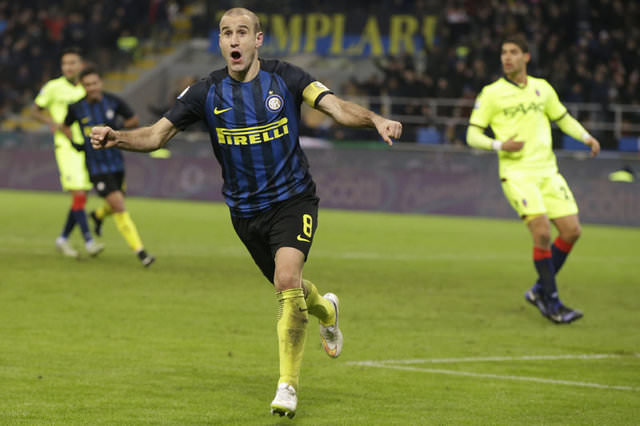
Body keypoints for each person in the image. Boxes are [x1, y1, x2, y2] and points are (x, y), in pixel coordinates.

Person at [90, 7, 402, 419]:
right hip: (244, 212)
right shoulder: (205, 92)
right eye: (226, 33)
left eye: (242, 32)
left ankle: (287, 385)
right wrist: (117, 138)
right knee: (290, 289)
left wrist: (375, 119)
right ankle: (327, 310)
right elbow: (155, 135)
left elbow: (337, 107)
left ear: (258, 39)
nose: (234, 40)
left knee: (286, 281)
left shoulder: (287, 77)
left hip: (293, 200)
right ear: (220, 42)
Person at [466, 34, 601, 324]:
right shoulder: (491, 93)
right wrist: (499, 145)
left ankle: (539, 290)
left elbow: (562, 118)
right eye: (504, 52)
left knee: (572, 231)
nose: (507, 57)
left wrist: (586, 137)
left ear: (526, 56)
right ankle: (552, 303)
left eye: (513, 52)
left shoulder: (543, 88)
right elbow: (472, 134)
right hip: (517, 173)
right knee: (542, 232)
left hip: (547, 172)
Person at [62, 66, 155, 267]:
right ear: (82, 86)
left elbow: (133, 120)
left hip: (116, 162)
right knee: (119, 205)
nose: (92, 88)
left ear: (100, 83)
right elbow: (65, 125)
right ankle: (141, 252)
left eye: (94, 83)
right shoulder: (76, 107)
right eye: (87, 85)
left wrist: (118, 132)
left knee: (116, 202)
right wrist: (75, 143)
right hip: (96, 167)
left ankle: (97, 215)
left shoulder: (113, 102)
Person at [32, 47, 104, 258]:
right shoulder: (53, 87)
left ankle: (63, 239)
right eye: (65, 63)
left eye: (72, 63)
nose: (68, 67)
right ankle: (89, 241)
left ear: (81, 65)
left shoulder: (86, 88)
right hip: (66, 146)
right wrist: (52, 122)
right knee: (79, 193)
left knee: (82, 197)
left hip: (87, 146)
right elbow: (35, 110)